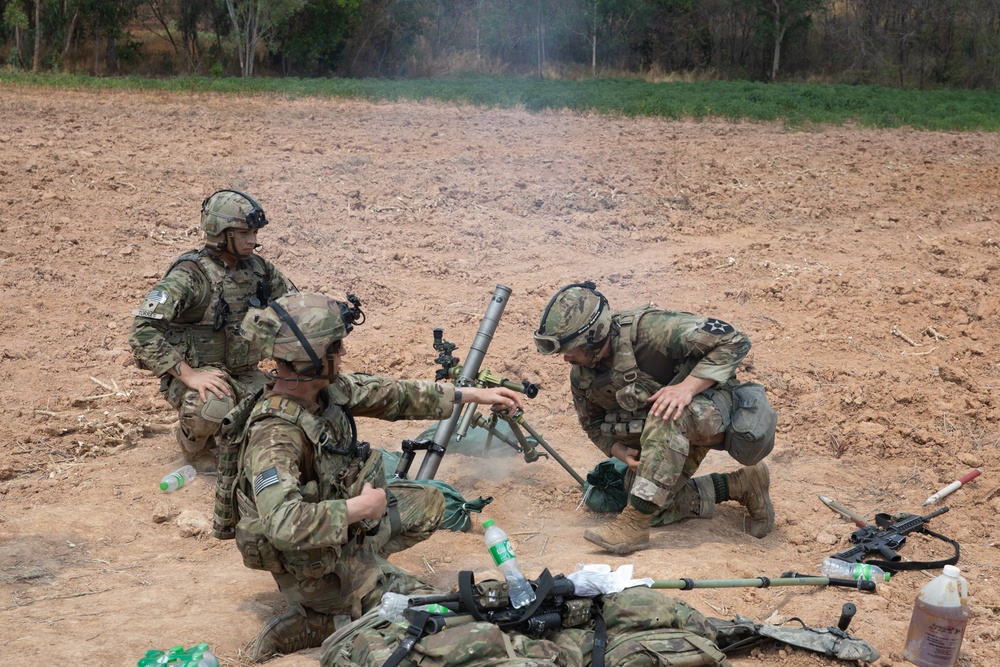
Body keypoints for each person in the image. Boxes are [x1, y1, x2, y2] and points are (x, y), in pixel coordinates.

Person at [234, 291, 524, 661]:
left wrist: (472, 395)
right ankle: (327, 615)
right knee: (427, 610)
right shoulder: (274, 433)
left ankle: (366, 571)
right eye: (335, 347)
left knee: (431, 502)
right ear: (310, 359)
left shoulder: (324, 390)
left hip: (348, 534)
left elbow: (393, 394)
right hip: (314, 564)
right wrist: (360, 507)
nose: (343, 354)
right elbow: (282, 523)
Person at [533, 281, 775, 555]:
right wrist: (620, 452)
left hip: (714, 407)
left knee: (667, 415)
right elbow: (592, 424)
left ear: (593, 337)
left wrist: (687, 388)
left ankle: (634, 525)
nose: (566, 358)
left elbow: (735, 339)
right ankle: (742, 484)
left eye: (570, 348)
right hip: (668, 432)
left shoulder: (651, 330)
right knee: (652, 502)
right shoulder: (583, 375)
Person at [128, 189, 297, 464]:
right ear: (221, 232)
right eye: (244, 233)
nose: (253, 241)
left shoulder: (259, 269)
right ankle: (196, 447)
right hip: (202, 375)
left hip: (245, 373)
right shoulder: (190, 275)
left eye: (254, 233)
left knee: (295, 407)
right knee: (212, 405)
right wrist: (190, 376)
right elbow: (142, 330)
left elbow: (294, 307)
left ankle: (237, 435)